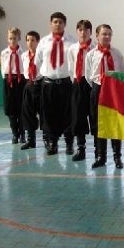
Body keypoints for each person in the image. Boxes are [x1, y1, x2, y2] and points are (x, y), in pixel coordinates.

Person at [85, 24, 124, 169]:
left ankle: (117, 157)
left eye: (109, 34)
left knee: (115, 124)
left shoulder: (117, 54)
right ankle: (100, 156)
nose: (107, 37)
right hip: (98, 89)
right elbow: (88, 76)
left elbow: (122, 72)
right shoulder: (91, 55)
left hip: (114, 91)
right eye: (104, 34)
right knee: (98, 124)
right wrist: (99, 88)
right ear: (97, 36)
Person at [36, 12, 77, 155]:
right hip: (48, 84)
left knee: (68, 114)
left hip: (66, 84)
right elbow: (37, 62)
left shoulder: (72, 41)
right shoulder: (44, 42)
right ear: (50, 24)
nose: (58, 24)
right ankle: (52, 142)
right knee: (49, 115)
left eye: (60, 22)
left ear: (65, 24)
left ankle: (69, 143)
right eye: (55, 22)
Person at [67, 20, 96, 161]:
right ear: (77, 32)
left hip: (93, 84)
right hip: (78, 82)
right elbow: (71, 67)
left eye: (86, 30)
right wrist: (76, 81)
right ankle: (81, 148)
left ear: (90, 32)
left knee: (95, 116)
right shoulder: (72, 49)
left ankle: (98, 150)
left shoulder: (96, 48)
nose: (83, 32)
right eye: (80, 30)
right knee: (78, 116)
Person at [0, 27, 26, 144]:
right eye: (10, 38)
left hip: (20, 81)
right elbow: (3, 70)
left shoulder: (23, 53)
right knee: (11, 110)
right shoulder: (4, 53)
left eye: (14, 38)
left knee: (21, 109)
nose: (12, 41)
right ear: (7, 39)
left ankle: (22, 134)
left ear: (19, 38)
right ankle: (15, 134)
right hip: (9, 80)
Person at [20, 31, 42, 150]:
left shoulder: (41, 55)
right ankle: (31, 140)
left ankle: (47, 139)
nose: (30, 43)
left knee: (43, 113)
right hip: (29, 85)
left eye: (33, 40)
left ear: (37, 41)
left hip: (40, 85)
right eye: (28, 40)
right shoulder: (24, 56)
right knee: (28, 113)